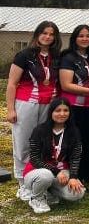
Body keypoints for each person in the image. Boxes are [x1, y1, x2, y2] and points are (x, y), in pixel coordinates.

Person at [7, 21, 62, 201]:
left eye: (51, 34)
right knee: (23, 142)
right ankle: (22, 183)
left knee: (43, 143)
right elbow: (12, 83)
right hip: (27, 103)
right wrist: (10, 109)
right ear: (37, 34)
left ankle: (39, 181)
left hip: (49, 104)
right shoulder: (24, 55)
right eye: (44, 33)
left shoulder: (57, 56)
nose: (48, 37)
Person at [22, 97, 85, 214]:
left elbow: (75, 157)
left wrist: (73, 176)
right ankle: (36, 198)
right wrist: (56, 171)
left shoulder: (74, 131)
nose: (62, 114)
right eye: (58, 110)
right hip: (37, 171)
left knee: (77, 193)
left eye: (65, 110)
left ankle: (48, 192)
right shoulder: (39, 130)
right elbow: (35, 159)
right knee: (46, 175)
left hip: (62, 172)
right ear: (51, 112)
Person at [59, 25, 89, 184]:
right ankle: (71, 175)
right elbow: (65, 85)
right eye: (81, 36)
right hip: (73, 107)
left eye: (88, 36)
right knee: (74, 141)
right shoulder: (68, 58)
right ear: (74, 38)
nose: (85, 39)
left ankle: (86, 174)